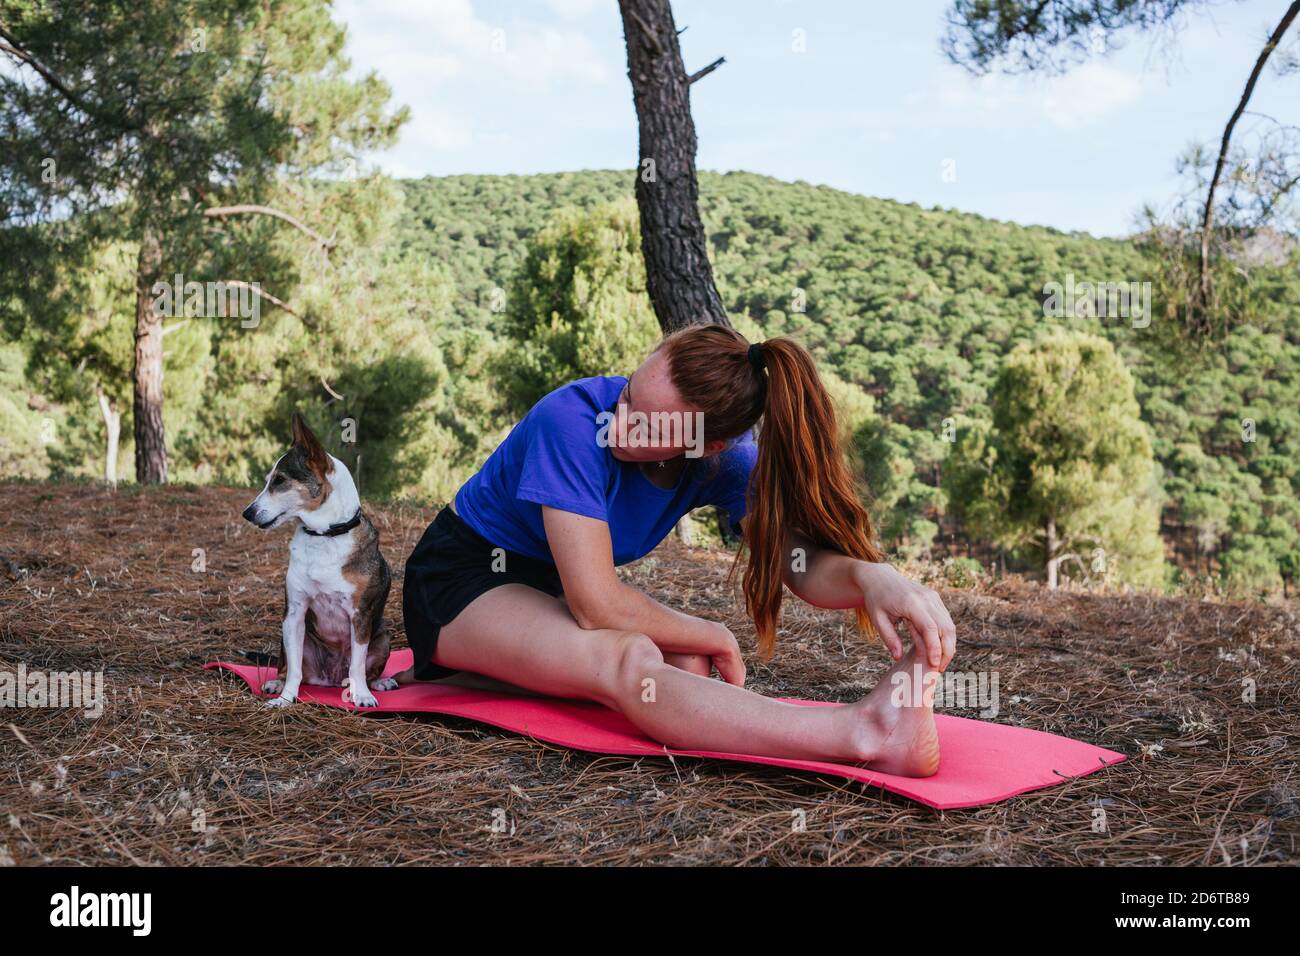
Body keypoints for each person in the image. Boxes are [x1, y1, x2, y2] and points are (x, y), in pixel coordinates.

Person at [396, 324, 957, 776]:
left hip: (546, 591)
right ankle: (865, 731)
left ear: (706, 444)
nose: (619, 425)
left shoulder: (724, 462)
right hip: (462, 582)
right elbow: (596, 605)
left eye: (645, 424)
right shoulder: (570, 421)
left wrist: (871, 576)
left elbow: (799, 566)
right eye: (628, 397)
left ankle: (485, 673)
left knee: (681, 664)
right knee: (631, 659)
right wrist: (710, 631)